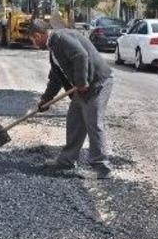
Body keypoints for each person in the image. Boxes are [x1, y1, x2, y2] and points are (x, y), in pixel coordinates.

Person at [28, 19, 114, 179]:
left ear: (38, 35)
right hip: (83, 87)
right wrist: (46, 99)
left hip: (97, 83)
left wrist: (81, 81)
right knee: (74, 120)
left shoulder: (60, 38)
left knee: (93, 122)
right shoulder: (53, 47)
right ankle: (67, 160)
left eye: (32, 39)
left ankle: (101, 167)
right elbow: (56, 77)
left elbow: (81, 55)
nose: (33, 43)